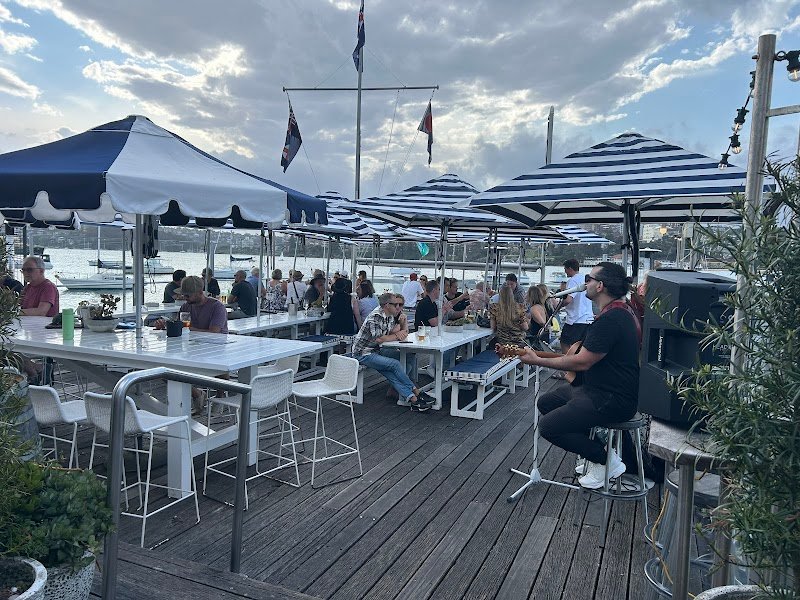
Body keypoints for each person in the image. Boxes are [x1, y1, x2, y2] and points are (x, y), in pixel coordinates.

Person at [506, 262, 641, 489]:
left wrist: (538, 360)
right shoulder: (619, 311)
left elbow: (582, 361)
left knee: (548, 427)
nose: (585, 282)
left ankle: (604, 460)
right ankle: (594, 450)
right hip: (599, 389)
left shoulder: (611, 320)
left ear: (600, 286)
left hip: (611, 398)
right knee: (547, 401)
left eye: (589, 278)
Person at [350, 292, 432, 411]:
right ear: (387, 305)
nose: (398, 307)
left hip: (376, 350)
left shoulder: (389, 315)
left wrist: (401, 326)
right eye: (395, 305)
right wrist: (396, 335)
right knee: (394, 365)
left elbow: (399, 333)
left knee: (404, 361)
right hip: (363, 353)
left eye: (400, 305)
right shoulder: (375, 316)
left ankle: (412, 399)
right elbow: (379, 339)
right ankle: (416, 391)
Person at [559, 258, 594, 351]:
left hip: (575, 319)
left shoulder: (573, 280)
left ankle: (567, 363)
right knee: (580, 346)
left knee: (565, 342)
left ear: (570, 268)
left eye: (565, 269)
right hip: (587, 318)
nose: (565, 272)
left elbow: (568, 300)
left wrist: (559, 305)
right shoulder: (585, 279)